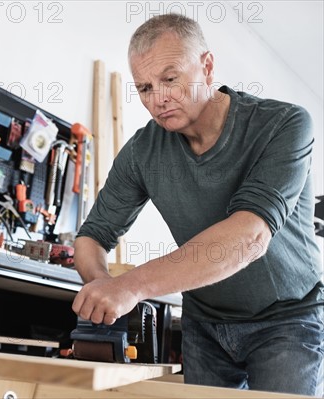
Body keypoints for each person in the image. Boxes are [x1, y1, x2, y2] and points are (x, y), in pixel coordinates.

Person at [72, 13, 323, 396]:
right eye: (144, 87)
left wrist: (131, 287)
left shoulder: (284, 124)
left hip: (287, 320)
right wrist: (103, 286)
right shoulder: (142, 152)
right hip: (204, 324)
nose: (158, 99)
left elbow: (249, 238)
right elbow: (92, 236)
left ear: (207, 66)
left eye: (170, 79)